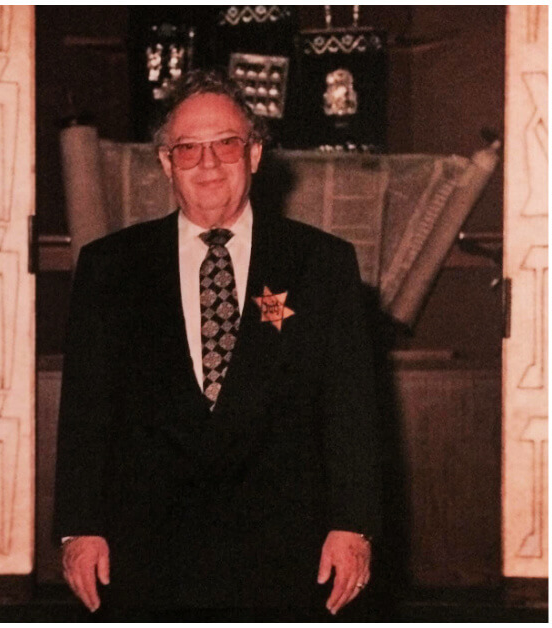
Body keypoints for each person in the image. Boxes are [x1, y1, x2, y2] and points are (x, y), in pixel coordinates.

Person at [53, 69, 381, 620]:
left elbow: (350, 409)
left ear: (253, 154)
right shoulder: (110, 267)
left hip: (285, 560)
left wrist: (354, 525)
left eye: (226, 144)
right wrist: (77, 530)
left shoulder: (321, 264)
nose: (208, 165)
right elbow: (86, 410)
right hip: (146, 559)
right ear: (165, 162)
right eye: (188, 150)